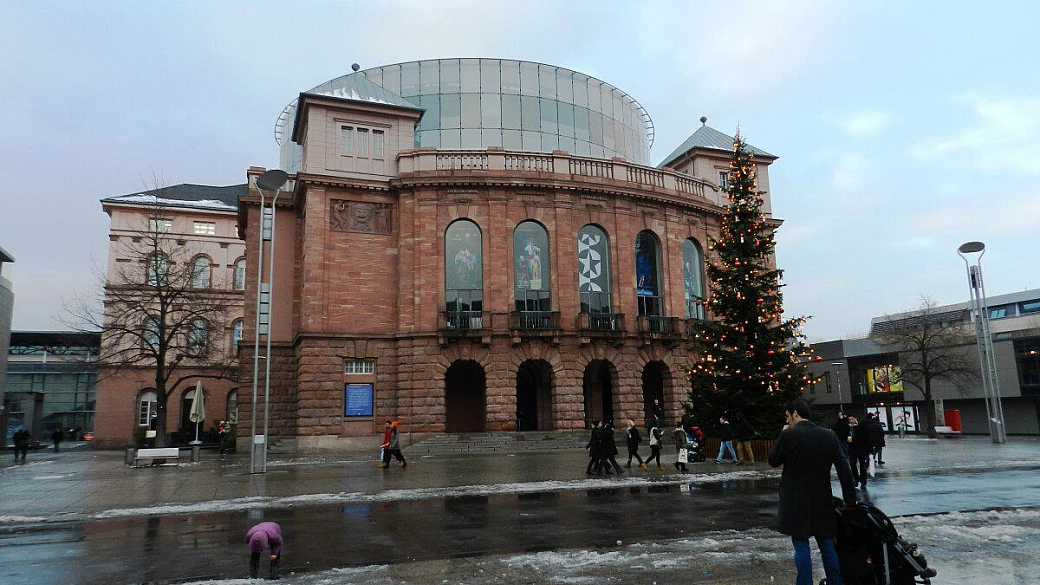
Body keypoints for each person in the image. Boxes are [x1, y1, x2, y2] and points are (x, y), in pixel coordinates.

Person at [768, 399, 857, 585]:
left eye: (787, 417)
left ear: (795, 413)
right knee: (827, 544)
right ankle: (836, 581)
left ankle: (805, 582)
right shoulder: (828, 436)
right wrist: (850, 499)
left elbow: (773, 460)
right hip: (822, 498)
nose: (787, 421)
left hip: (794, 499)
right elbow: (844, 468)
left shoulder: (789, 435)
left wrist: (782, 435)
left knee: (801, 545)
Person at [849, 416, 872, 489]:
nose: (851, 421)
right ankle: (856, 479)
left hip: (862, 448)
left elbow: (867, 438)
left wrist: (869, 450)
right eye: (849, 419)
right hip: (852, 448)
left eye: (852, 419)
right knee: (852, 464)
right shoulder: (848, 428)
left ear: (856, 418)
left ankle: (863, 482)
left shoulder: (862, 426)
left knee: (863, 466)